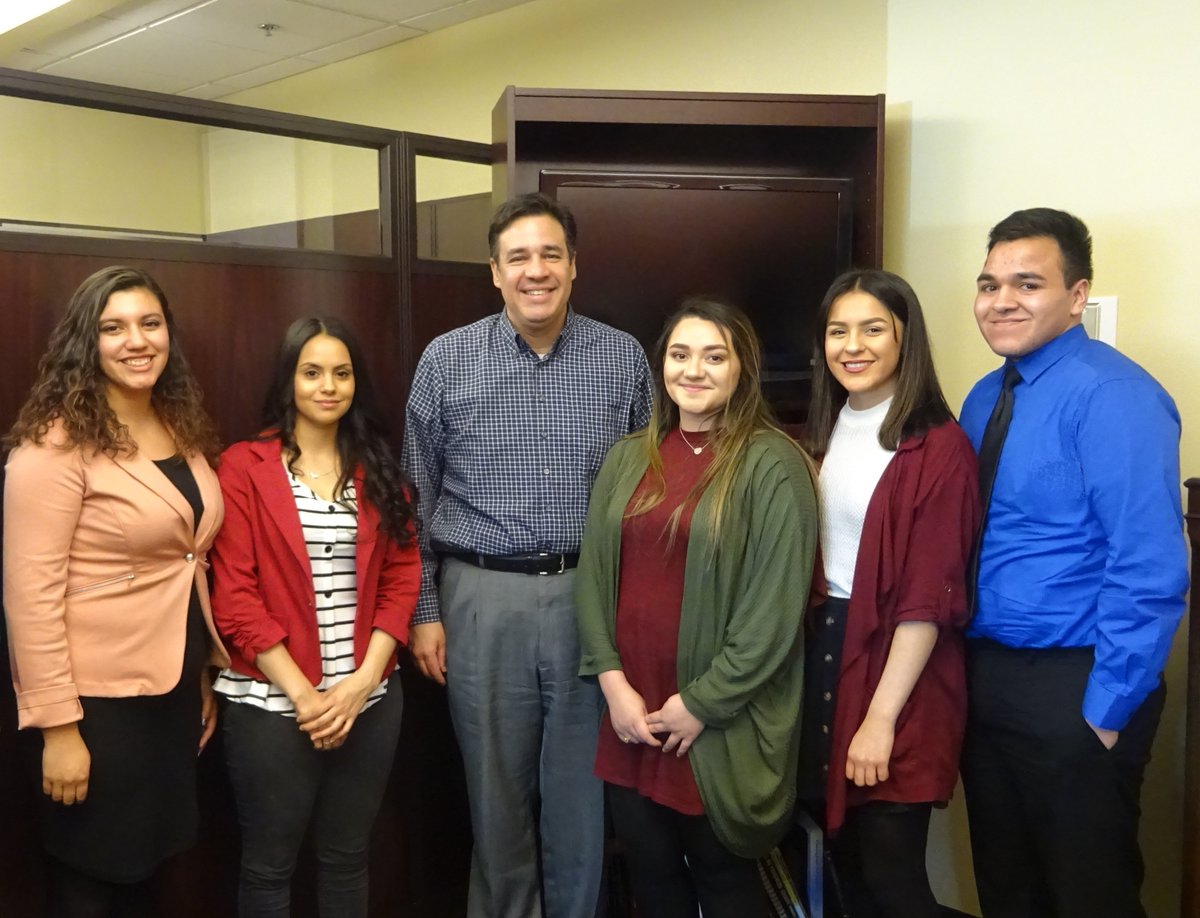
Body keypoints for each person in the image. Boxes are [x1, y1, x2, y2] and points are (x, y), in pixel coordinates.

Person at [402, 192, 652, 918]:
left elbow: (650, 489)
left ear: (574, 266)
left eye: (550, 255)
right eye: (518, 258)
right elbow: (414, 495)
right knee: (495, 792)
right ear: (494, 271)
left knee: (582, 795)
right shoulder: (446, 359)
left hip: (588, 598)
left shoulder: (623, 358)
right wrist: (424, 611)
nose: (534, 271)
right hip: (481, 600)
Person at [959, 208, 1187, 918]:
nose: (1002, 301)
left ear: (1077, 295)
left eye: (1027, 284)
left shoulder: (1116, 395)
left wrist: (1105, 711)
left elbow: (1148, 565)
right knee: (1007, 889)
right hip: (986, 676)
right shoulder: (984, 396)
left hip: (1076, 683)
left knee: (1089, 895)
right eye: (990, 284)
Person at [575, 297, 818, 916]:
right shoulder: (630, 456)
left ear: (742, 369)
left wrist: (702, 705)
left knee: (727, 888)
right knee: (653, 885)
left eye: (715, 357)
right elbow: (594, 580)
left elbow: (774, 612)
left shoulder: (774, 463)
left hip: (716, 726)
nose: (694, 370)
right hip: (633, 717)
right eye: (680, 355)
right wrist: (613, 686)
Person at [3, 265, 227, 916]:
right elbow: (30, 597)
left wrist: (200, 672)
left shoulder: (178, 427)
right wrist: (59, 730)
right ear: (87, 342)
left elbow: (184, 560)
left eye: (150, 323)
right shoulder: (53, 445)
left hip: (171, 692)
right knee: (91, 875)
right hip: (95, 707)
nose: (137, 340)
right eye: (114, 327)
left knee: (148, 868)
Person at [209, 317, 419, 917]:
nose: (328, 386)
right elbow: (235, 596)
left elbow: (402, 580)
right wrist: (306, 698)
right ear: (289, 380)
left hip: (368, 702)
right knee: (268, 867)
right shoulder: (244, 466)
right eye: (312, 372)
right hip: (272, 705)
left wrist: (360, 685)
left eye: (341, 373)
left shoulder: (378, 468)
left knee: (348, 858)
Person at [798, 269, 979, 918]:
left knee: (891, 879)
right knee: (845, 872)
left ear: (906, 339)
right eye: (837, 331)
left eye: (873, 329)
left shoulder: (941, 448)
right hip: (830, 654)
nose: (853, 346)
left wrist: (880, 721)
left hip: (901, 675)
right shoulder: (829, 426)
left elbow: (927, 601)